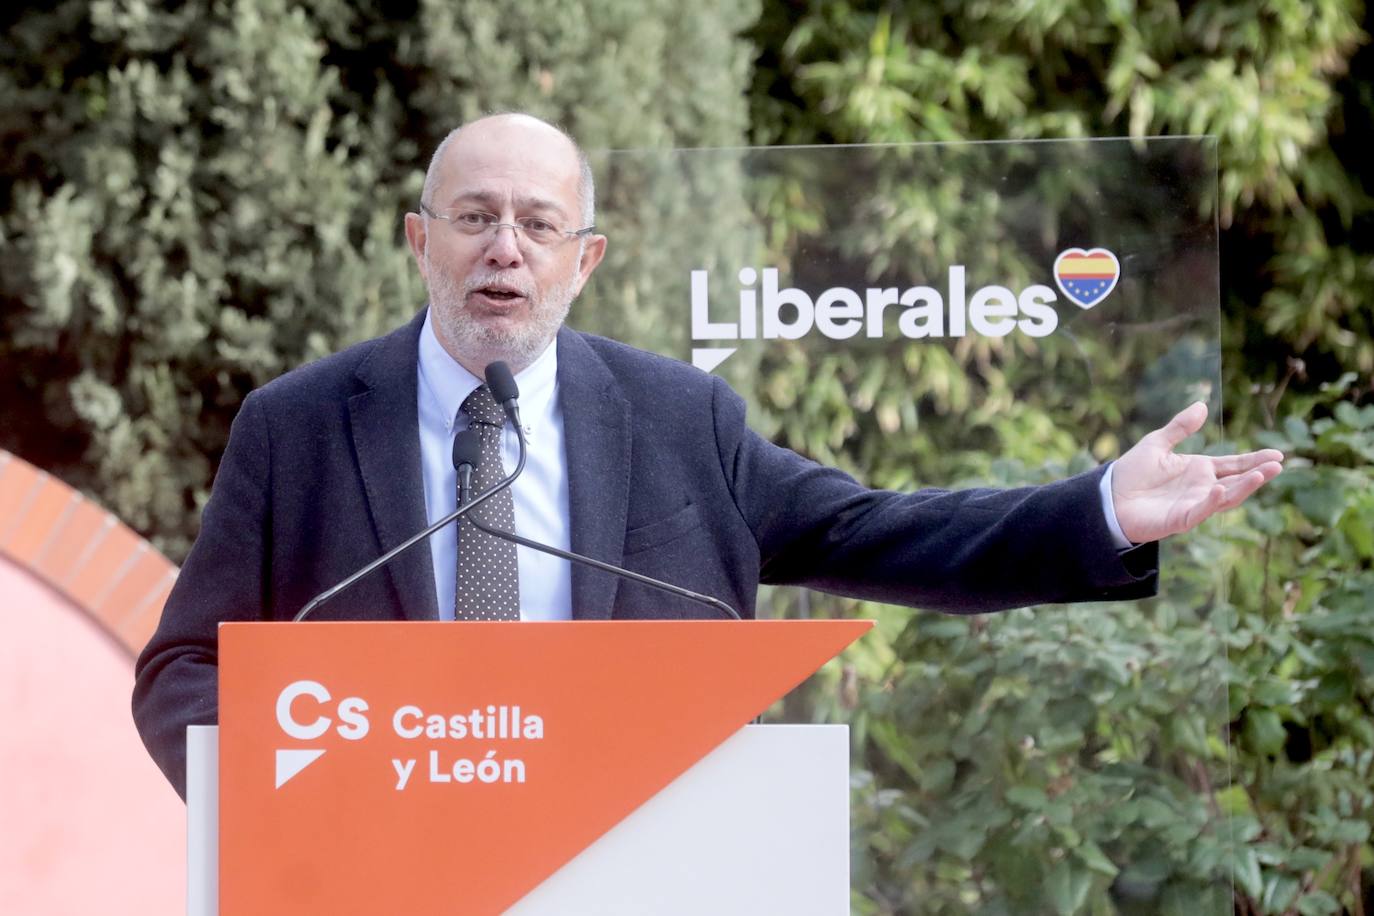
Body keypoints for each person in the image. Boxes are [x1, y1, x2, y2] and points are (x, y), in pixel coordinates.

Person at [132, 113, 1284, 797]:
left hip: (638, 866)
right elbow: (181, 673)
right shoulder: (299, 424)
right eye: (474, 217)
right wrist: (298, 798)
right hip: (381, 882)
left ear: (584, 261)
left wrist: (1102, 511)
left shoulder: (681, 419)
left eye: (538, 223)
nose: (505, 249)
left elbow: (874, 531)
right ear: (419, 241)